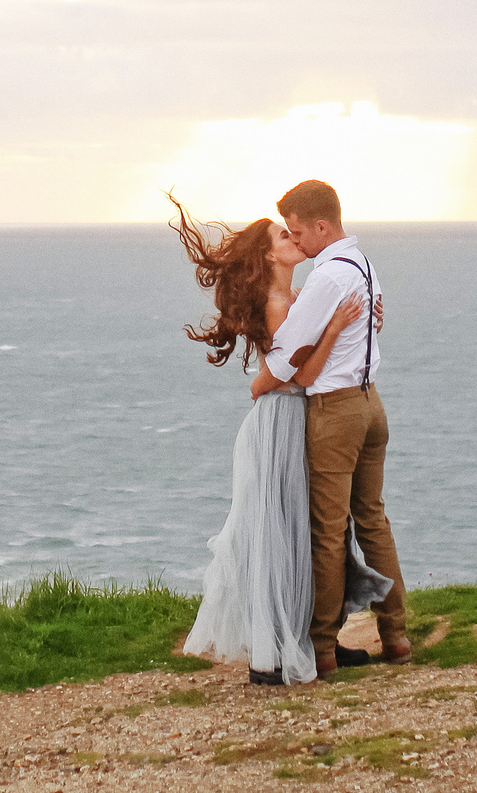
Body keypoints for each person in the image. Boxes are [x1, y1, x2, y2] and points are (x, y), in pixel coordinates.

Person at [171, 203, 384, 684]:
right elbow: (295, 375)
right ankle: (277, 650)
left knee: (303, 532)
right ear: (269, 258)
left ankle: (307, 638)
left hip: (294, 415)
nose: (294, 240)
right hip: (281, 418)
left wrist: (364, 323)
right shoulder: (278, 304)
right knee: (280, 532)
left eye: (293, 234)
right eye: (283, 239)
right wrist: (334, 329)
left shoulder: (299, 295)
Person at [263, 178, 409, 676]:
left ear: (321, 226)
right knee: (374, 521)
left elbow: (287, 356)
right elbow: (372, 323)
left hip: (336, 411)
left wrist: (260, 383)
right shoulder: (363, 264)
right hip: (372, 404)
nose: (296, 240)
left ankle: (322, 647)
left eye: (298, 231)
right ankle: (397, 637)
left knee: (328, 532)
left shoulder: (327, 277)